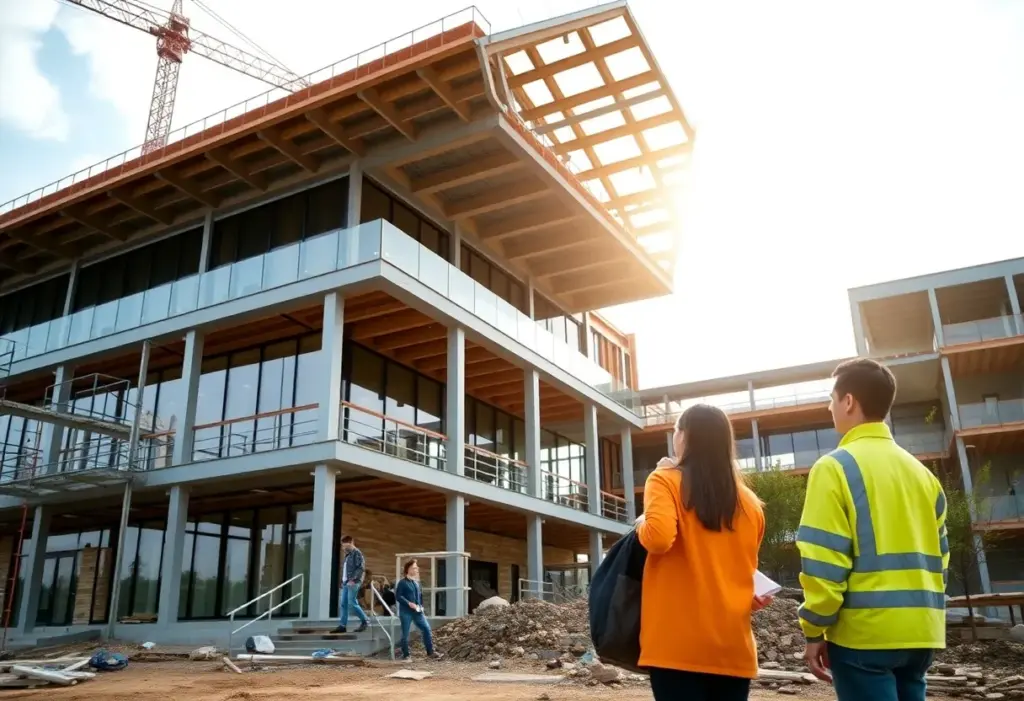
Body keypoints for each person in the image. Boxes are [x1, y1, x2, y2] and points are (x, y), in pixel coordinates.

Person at [797, 358, 948, 701]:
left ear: (848, 401)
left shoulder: (834, 468)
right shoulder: (924, 476)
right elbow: (943, 560)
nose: (830, 406)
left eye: (832, 398)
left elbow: (823, 562)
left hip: (863, 635)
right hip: (923, 631)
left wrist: (814, 629)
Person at [636, 404, 770, 701]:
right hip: (733, 648)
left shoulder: (664, 480)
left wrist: (641, 523)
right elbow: (742, 571)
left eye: (675, 431)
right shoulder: (751, 504)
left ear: (685, 437)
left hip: (677, 645)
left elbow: (658, 539)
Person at [395, 559, 442, 660]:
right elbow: (398, 596)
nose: (417, 569)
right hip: (406, 612)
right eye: (415, 568)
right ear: (408, 569)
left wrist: (421, 606)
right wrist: (408, 603)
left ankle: (430, 653)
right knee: (405, 634)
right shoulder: (402, 583)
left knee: (426, 629)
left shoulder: (416, 583)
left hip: (418, 612)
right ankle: (406, 655)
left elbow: (419, 597)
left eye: (417, 567)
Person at [334, 535, 368, 634]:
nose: (343, 547)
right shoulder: (348, 555)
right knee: (344, 604)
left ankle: (365, 621)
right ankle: (342, 626)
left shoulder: (357, 553)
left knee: (352, 602)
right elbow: (346, 570)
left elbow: (360, 568)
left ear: (351, 543)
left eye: (344, 545)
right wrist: (343, 581)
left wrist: (353, 579)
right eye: (343, 545)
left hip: (353, 582)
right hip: (346, 582)